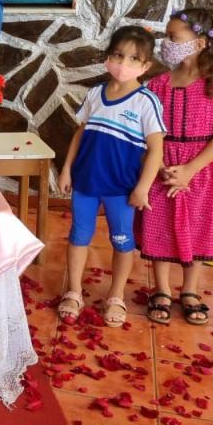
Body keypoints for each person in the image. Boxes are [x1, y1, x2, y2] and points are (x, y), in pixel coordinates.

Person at [56, 26, 165, 327]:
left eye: (133, 59)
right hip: (86, 184)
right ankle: (74, 290)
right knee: (79, 236)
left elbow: (156, 150)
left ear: (146, 66)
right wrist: (66, 169)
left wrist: (142, 188)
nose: (123, 64)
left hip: (122, 189)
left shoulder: (146, 102)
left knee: (122, 241)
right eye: (118, 55)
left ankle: (116, 295)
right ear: (108, 56)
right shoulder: (95, 94)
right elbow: (80, 134)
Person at [139, 8, 213, 326]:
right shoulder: (157, 85)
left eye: (174, 38)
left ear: (199, 43)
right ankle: (162, 289)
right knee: (160, 224)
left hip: (203, 170)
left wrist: (190, 169)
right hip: (162, 162)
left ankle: (191, 290)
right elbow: (149, 130)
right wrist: (160, 166)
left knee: (197, 226)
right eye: (166, 37)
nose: (166, 44)